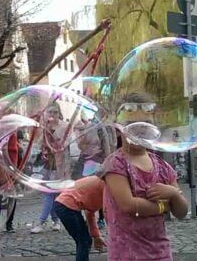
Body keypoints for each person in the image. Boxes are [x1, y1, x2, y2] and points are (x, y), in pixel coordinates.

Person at [102, 93, 188, 261]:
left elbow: (182, 212)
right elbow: (128, 205)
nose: (139, 130)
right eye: (132, 124)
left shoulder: (163, 167)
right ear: (118, 129)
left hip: (160, 252)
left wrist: (174, 194)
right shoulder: (115, 163)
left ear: (155, 129)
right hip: (126, 253)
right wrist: (165, 207)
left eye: (146, 124)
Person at [54, 176, 106, 261]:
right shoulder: (105, 186)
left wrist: (96, 236)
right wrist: (96, 235)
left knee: (84, 240)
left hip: (63, 205)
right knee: (84, 241)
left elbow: (90, 212)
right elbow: (90, 213)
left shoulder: (99, 180)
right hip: (66, 206)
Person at [31, 103, 65, 234]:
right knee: (49, 193)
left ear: (59, 113)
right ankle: (56, 221)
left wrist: (53, 132)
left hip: (58, 164)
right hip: (45, 164)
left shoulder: (64, 126)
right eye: (50, 112)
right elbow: (38, 143)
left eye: (55, 112)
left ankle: (40, 222)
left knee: (49, 193)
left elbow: (64, 144)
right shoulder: (44, 126)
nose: (52, 115)